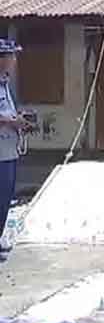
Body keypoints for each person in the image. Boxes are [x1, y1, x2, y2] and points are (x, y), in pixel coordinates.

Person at [0, 39, 31, 253]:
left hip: (9, 150)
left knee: (5, 199)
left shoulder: (5, 84)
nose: (14, 61)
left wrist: (20, 121)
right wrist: (13, 122)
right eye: (11, 56)